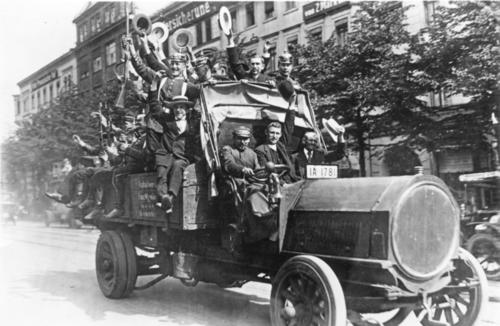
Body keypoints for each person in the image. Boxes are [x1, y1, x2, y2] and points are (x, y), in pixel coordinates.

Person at [150, 95, 202, 211]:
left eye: (182, 107)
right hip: (165, 154)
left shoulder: (192, 124)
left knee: (178, 166)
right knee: (161, 173)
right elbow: (155, 109)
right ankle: (163, 196)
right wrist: (153, 91)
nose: (178, 110)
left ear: (187, 109)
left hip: (182, 156)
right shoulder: (167, 120)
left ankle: (170, 197)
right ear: (172, 109)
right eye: (176, 107)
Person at [255, 95, 300, 184]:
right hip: (275, 184)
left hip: (292, 180)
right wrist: (283, 184)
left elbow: (289, 127)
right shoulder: (260, 150)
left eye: (277, 133)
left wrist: (291, 105)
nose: (274, 136)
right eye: (272, 133)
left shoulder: (281, 145)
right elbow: (266, 172)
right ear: (266, 133)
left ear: (280, 135)